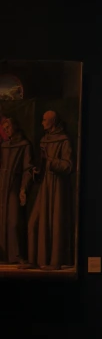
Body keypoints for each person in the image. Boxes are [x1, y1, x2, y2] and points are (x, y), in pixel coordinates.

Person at [27, 110, 73, 270]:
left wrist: (50, 163)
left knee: (55, 223)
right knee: (34, 222)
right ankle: (34, 260)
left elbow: (68, 166)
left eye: (45, 120)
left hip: (57, 187)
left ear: (52, 122)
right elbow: (42, 164)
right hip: (45, 185)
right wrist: (37, 170)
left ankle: (54, 262)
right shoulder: (44, 140)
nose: (42, 122)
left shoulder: (64, 140)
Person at [0, 116, 34, 263]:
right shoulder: (3, 146)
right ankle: (3, 256)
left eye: (8, 127)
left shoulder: (24, 145)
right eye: (4, 128)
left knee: (14, 222)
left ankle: (17, 255)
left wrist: (23, 189)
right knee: (1, 221)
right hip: (1, 186)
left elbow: (28, 169)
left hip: (14, 185)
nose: (6, 131)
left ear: (14, 126)